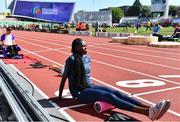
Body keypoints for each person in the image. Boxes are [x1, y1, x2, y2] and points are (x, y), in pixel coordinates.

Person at [58, 38, 170, 121]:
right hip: (79, 92)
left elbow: (86, 76)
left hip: (90, 86)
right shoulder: (71, 60)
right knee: (108, 96)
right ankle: (147, 113)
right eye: (83, 46)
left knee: (116, 92)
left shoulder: (87, 58)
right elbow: (64, 78)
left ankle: (151, 108)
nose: (86, 47)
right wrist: (60, 96)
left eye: (86, 45)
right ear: (77, 48)